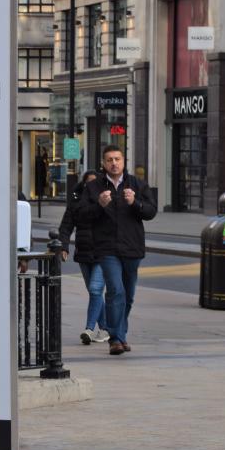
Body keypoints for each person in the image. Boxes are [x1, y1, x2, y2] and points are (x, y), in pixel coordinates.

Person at [79, 145, 157, 355]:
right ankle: (115, 339)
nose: (114, 163)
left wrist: (135, 203)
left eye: (117, 159)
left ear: (123, 161)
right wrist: (99, 206)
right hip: (107, 249)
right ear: (103, 164)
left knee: (128, 296)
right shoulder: (93, 187)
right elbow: (82, 215)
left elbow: (151, 211)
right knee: (116, 291)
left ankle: (120, 334)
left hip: (132, 247)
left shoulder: (137, 184)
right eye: (109, 160)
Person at [58, 170, 110, 345]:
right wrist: (63, 246)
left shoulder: (105, 200)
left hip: (103, 253)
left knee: (95, 290)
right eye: (89, 183)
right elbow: (66, 226)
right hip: (84, 253)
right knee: (94, 292)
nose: (92, 187)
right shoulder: (76, 201)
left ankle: (89, 329)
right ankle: (105, 329)